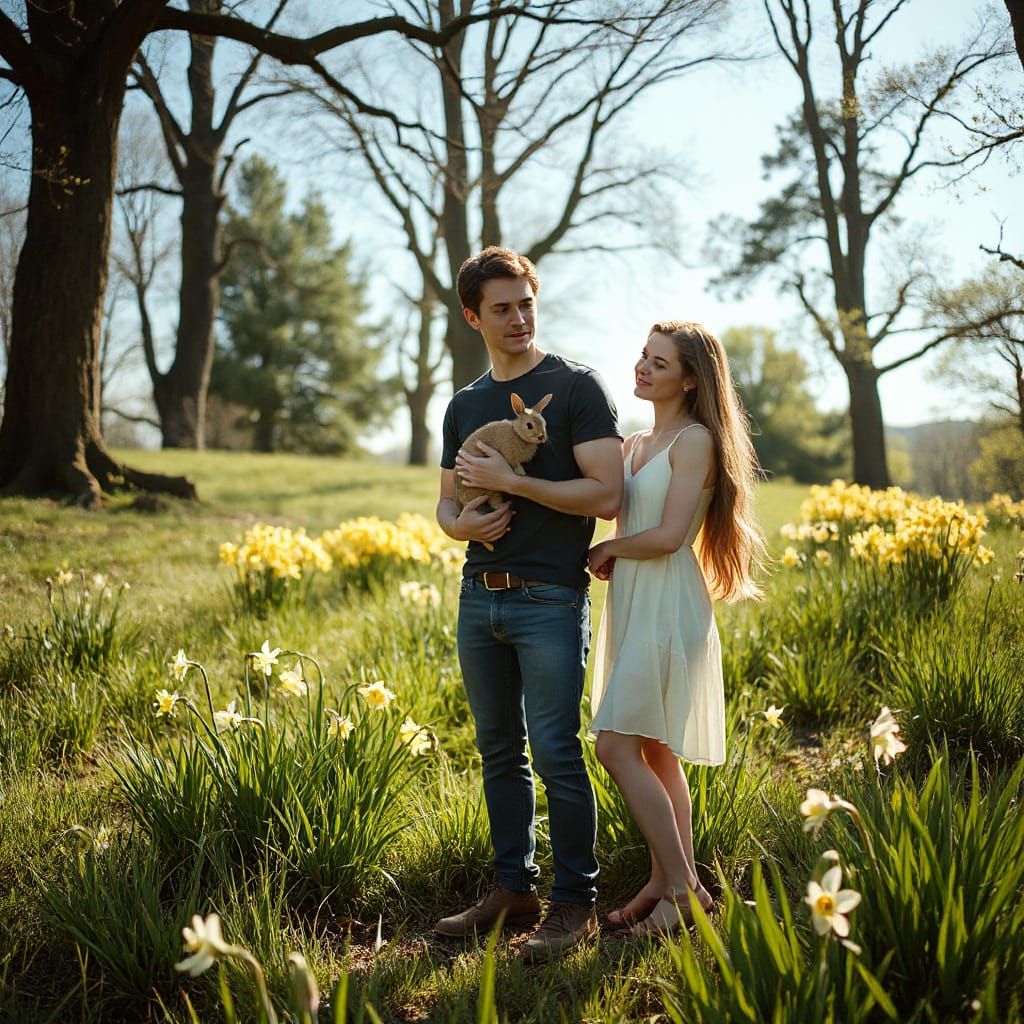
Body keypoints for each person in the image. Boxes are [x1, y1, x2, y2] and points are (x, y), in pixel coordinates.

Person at [434, 246, 623, 962]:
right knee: (497, 751)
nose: (518, 318)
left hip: (550, 597)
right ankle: (514, 890)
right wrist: (464, 525)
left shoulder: (576, 388)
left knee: (555, 750)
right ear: (473, 316)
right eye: (502, 307)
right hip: (478, 597)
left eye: (527, 304)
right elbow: (446, 508)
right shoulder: (465, 405)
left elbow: (606, 495)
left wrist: (515, 487)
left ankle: (574, 904)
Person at [587, 320, 762, 936]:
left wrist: (607, 552)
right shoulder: (634, 443)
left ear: (690, 378)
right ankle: (666, 884)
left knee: (614, 744)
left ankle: (684, 890)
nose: (642, 368)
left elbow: (667, 537)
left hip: (668, 603)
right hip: (635, 602)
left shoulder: (694, 441)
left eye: (659, 363)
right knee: (654, 748)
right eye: (642, 356)